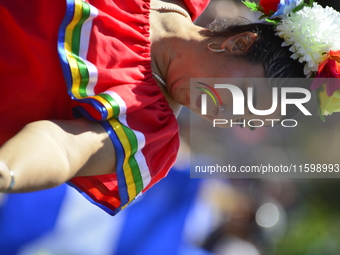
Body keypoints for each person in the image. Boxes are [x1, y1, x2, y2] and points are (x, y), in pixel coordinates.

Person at [0, 0, 307, 215]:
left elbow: (64, 148)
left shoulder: (149, 133)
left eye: (241, 120)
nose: (221, 116)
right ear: (238, 44)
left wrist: (7, 171)